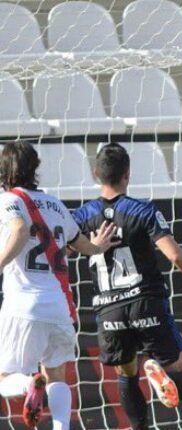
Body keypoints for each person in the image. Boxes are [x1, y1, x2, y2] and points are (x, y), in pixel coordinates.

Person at [71, 143, 182, 430]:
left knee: (127, 375)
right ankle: (162, 377)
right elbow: (174, 255)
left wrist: (92, 246)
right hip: (145, 302)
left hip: (108, 311)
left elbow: (64, 250)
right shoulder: (142, 211)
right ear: (127, 175)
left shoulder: (82, 216)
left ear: (95, 174)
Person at [0, 142, 118, 429]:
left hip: (24, 305)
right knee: (57, 376)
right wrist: (98, 246)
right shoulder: (55, 204)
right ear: (35, 168)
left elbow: (19, 229)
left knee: (5, 379)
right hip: (59, 307)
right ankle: (62, 426)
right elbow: (83, 246)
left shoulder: (7, 201)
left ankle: (30, 383)